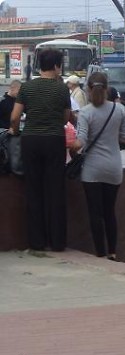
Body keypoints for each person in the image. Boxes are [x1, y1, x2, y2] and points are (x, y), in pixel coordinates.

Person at [9, 48, 71, 251]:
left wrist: (16, 131)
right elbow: (66, 117)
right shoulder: (62, 89)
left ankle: (37, 242)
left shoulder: (27, 87)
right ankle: (57, 242)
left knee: (33, 189)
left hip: (31, 140)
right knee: (56, 191)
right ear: (56, 66)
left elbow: (14, 117)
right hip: (54, 140)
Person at [71, 72, 125, 261]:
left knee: (95, 213)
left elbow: (80, 141)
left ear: (88, 89)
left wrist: (71, 149)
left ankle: (100, 253)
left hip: (92, 169)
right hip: (113, 167)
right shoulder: (119, 109)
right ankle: (113, 252)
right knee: (109, 211)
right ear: (106, 89)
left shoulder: (86, 112)